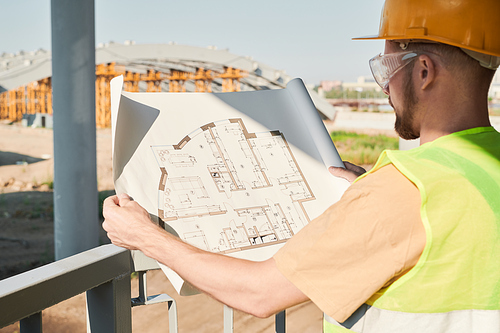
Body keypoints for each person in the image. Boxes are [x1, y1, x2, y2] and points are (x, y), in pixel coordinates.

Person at [103, 0, 500, 331]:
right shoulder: (484, 165)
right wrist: (371, 193)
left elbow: (259, 293)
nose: (385, 86)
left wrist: (145, 237)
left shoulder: (404, 193)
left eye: (387, 69)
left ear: (424, 71)